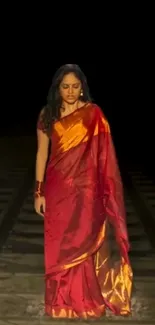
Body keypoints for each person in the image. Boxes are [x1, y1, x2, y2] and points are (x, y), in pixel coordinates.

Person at [34, 64, 133, 320]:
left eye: (75, 86)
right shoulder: (48, 115)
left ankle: (85, 300)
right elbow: (42, 153)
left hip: (86, 191)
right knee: (59, 246)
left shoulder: (93, 115)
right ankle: (59, 302)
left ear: (82, 88)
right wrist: (38, 191)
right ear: (57, 88)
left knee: (84, 240)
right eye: (65, 86)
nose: (70, 91)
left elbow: (104, 155)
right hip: (57, 190)